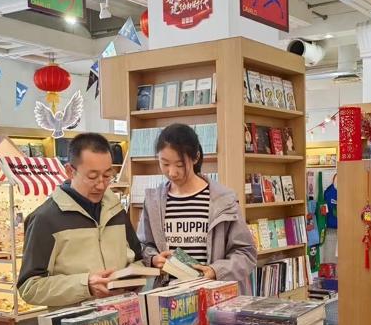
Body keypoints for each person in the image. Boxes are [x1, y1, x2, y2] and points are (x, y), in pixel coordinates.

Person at [18, 132, 143, 308]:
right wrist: (85, 286)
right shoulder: (45, 219)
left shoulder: (116, 211)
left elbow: (137, 258)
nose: (101, 184)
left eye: (107, 175)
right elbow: (29, 287)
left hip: (123, 316)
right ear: (70, 171)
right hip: (75, 322)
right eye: (92, 177)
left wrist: (137, 274)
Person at [138, 123, 256, 292]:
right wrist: (153, 259)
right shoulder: (153, 201)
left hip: (214, 295)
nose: (172, 172)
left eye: (180, 165)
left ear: (196, 157)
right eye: (165, 164)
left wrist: (216, 271)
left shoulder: (223, 200)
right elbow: (142, 245)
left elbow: (246, 253)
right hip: (169, 297)